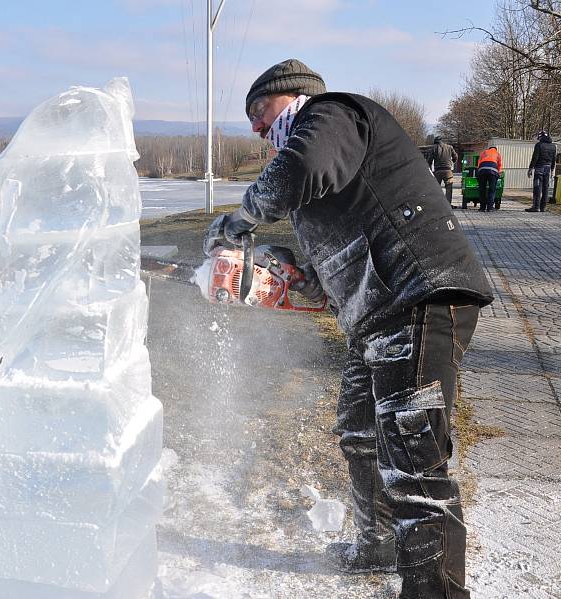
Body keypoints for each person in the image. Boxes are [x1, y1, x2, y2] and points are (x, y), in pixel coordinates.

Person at [203, 59, 493, 599]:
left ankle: (434, 591)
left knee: (413, 459)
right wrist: (279, 273)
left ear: (292, 97)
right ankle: (377, 542)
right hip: (378, 321)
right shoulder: (321, 179)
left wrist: (243, 217)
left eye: (260, 113)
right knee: (360, 434)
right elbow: (322, 274)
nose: (256, 130)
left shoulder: (332, 115)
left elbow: (303, 164)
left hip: (419, 298)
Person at [526, 131, 557, 212]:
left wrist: (530, 168)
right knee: (545, 188)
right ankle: (543, 207)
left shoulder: (539, 145)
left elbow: (535, 158)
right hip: (548, 168)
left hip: (539, 168)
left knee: (537, 187)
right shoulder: (553, 146)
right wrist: (552, 170)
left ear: (540, 137)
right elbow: (554, 159)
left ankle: (536, 207)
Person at [429, 136, 458, 207]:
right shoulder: (450, 147)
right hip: (448, 171)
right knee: (449, 188)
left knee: (436, 188)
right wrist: (452, 162)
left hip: (438, 171)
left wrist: (430, 170)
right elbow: (456, 157)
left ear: (435, 142)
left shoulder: (434, 148)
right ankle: (448, 205)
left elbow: (429, 160)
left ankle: (437, 204)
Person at [476, 146, 502, 212]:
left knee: (482, 189)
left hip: (482, 170)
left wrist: (479, 172)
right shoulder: (497, 154)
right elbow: (499, 165)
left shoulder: (484, 152)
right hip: (493, 171)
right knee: (491, 190)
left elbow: (479, 163)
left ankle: (482, 208)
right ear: (495, 149)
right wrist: (498, 174)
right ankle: (490, 208)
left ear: (489, 149)